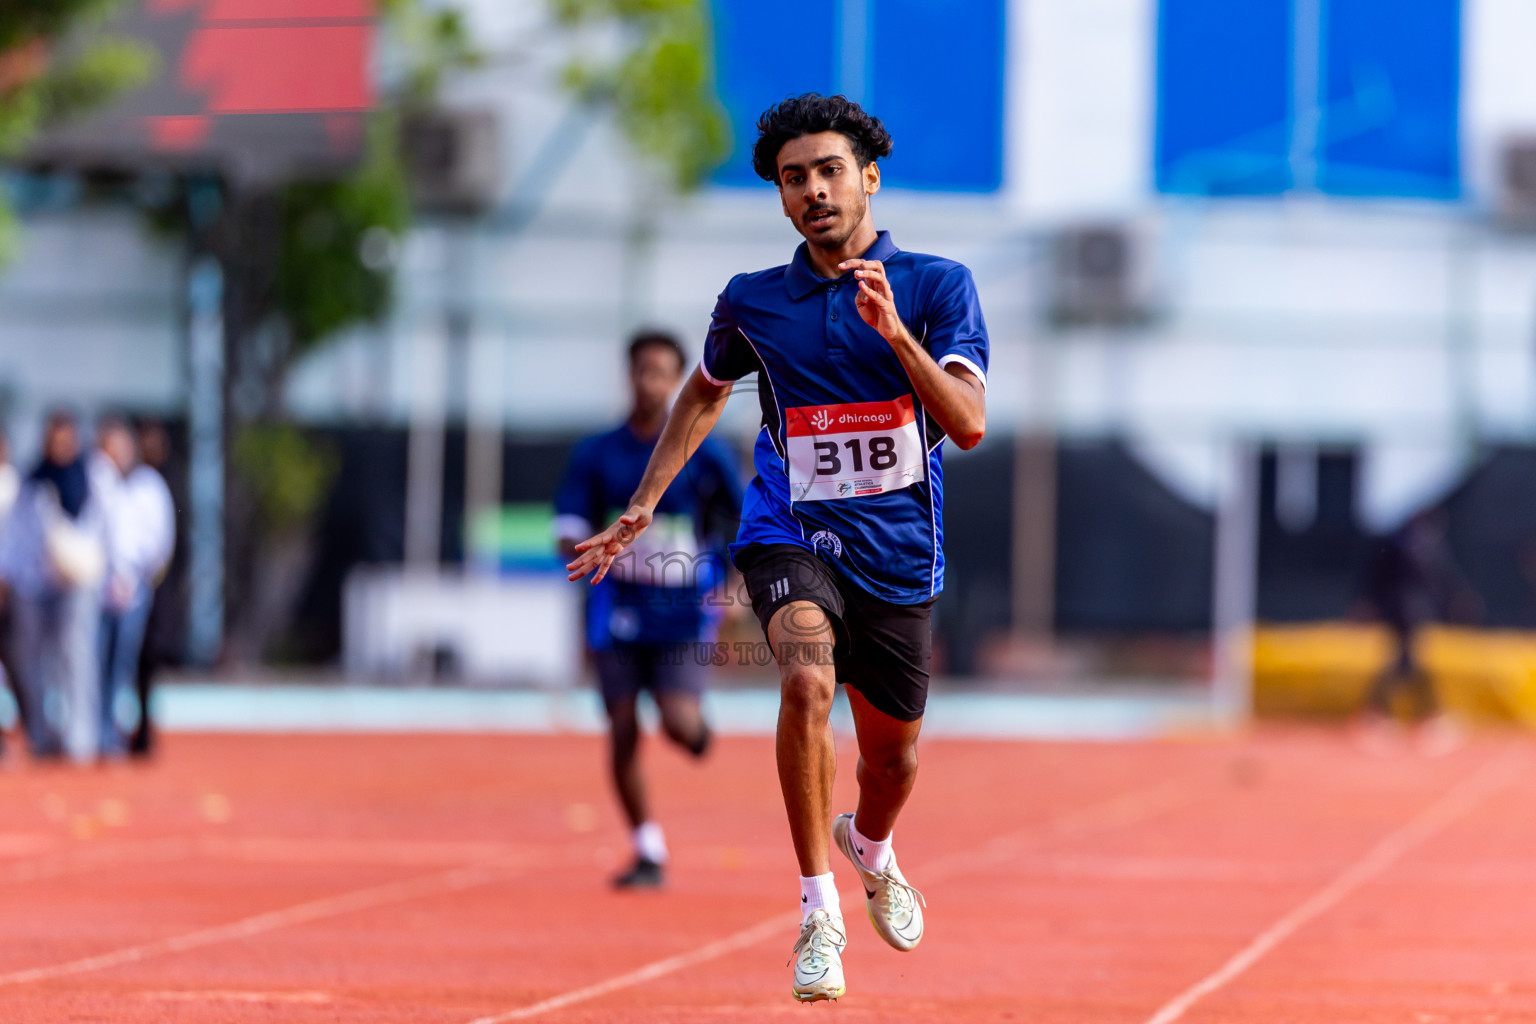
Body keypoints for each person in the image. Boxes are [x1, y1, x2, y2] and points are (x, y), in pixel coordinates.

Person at [567, 94, 989, 1001]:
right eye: (794, 179)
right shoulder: (753, 301)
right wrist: (644, 502)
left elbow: (968, 423)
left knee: (893, 762)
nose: (813, 191)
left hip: (900, 557)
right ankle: (816, 912)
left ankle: (871, 845)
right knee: (805, 682)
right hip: (788, 533)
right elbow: (704, 392)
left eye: (829, 171)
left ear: (869, 179)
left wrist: (897, 337)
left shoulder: (937, 286)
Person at [554, 331, 743, 888]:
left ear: (678, 381)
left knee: (677, 722)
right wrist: (590, 546)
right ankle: (646, 847)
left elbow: (747, 519)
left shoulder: (705, 450)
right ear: (629, 376)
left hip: (683, 610)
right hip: (617, 606)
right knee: (621, 723)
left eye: (662, 372)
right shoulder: (597, 454)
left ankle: (695, 731)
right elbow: (566, 526)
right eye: (642, 370)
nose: (650, 382)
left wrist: (735, 588)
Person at [0, 410, 107, 762]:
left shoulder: (91, 477)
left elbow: (106, 530)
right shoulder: (33, 479)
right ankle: (42, 734)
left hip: (78, 583)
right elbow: (17, 535)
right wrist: (10, 577)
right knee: (32, 660)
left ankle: (80, 737)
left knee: (76, 657)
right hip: (34, 584)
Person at [91, 416, 175, 760]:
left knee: (123, 665)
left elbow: (159, 541)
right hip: (98, 590)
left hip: (135, 590)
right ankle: (95, 733)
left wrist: (137, 577)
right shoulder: (100, 481)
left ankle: (113, 734)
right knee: (96, 663)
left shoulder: (147, 485)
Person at [130, 419, 179, 758]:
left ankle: (144, 727)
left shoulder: (158, 484)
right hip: (130, 585)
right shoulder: (131, 483)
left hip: (150, 585)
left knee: (147, 658)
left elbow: (163, 542)